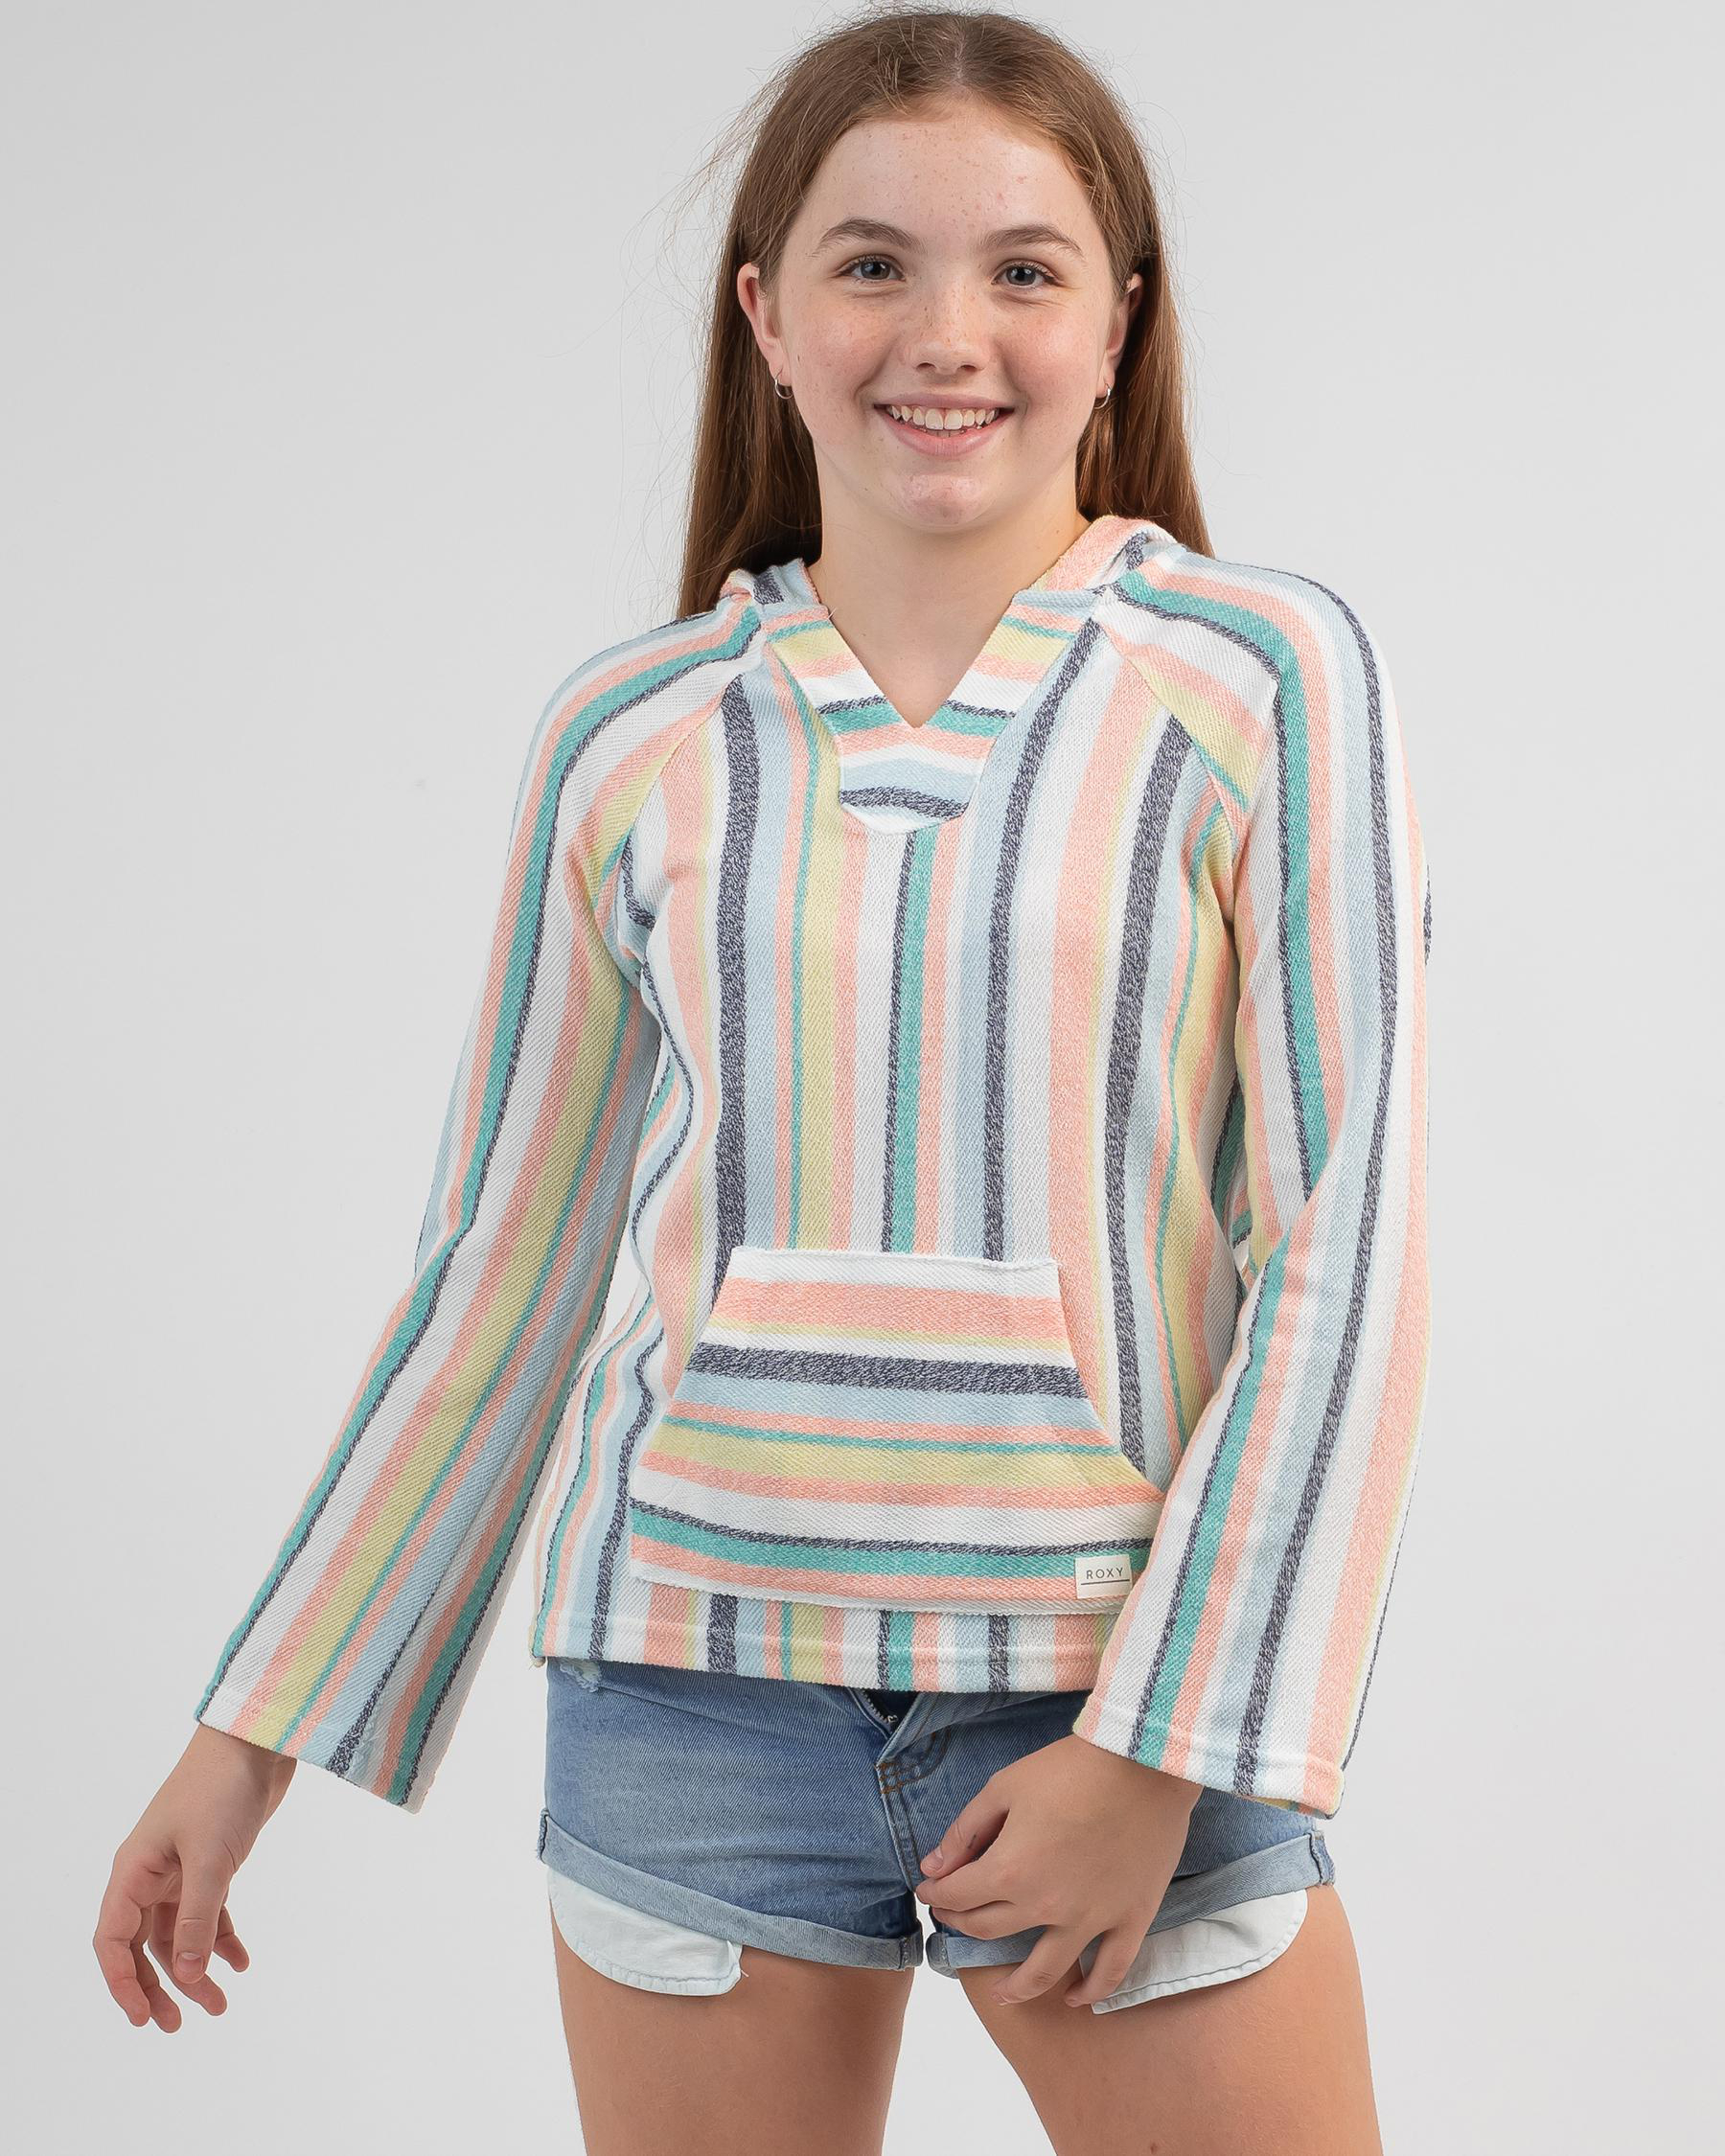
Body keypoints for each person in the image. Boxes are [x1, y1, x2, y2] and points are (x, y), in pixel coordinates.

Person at [95, 8, 1431, 2149]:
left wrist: (1161, 1749)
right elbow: (499, 1278)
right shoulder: (630, 733)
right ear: (768, 317)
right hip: (689, 1708)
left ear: (1117, 320)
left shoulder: (1263, 677)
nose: (947, 333)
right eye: (872, 263)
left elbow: (1342, 1253)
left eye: (1022, 268)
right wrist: (242, 1741)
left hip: (1114, 1699)